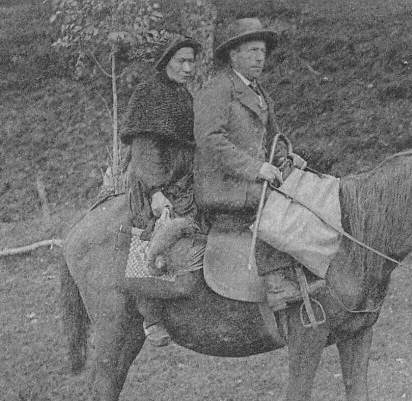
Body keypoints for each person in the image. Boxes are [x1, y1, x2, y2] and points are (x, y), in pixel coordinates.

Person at [193, 18, 320, 311]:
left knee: (306, 192)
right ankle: (276, 285)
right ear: (233, 54)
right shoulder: (218, 89)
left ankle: (305, 271)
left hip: (249, 180)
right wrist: (255, 168)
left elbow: (273, 137)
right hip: (223, 184)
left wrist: (287, 157)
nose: (259, 57)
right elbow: (210, 139)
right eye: (251, 50)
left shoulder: (259, 92)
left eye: (261, 51)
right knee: (277, 204)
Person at [120, 34, 202, 346]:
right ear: (165, 61)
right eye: (181, 60)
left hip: (184, 180)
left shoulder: (183, 95)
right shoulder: (148, 94)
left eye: (191, 61)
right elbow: (145, 147)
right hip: (155, 182)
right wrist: (155, 190)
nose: (187, 67)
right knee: (155, 233)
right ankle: (150, 314)